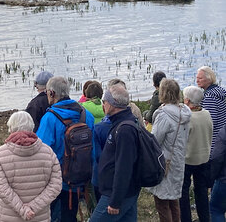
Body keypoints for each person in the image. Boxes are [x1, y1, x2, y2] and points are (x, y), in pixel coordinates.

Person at [36, 76, 95, 222]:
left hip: (58, 181)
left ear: (52, 93)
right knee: (70, 214)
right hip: (81, 176)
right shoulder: (86, 114)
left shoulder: (49, 118)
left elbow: (41, 151)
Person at [0, 111, 62, 222]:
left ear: (11, 128)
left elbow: (2, 189)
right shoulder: (48, 152)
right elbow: (55, 186)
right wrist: (32, 207)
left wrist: (23, 210)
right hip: (39, 215)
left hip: (7, 215)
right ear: (32, 127)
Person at [90, 84, 141, 222]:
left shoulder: (124, 129)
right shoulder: (123, 123)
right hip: (127, 191)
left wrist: (115, 201)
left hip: (116, 193)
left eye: (104, 101)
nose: (103, 105)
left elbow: (124, 167)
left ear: (113, 104)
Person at [148, 79, 191, 222]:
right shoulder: (184, 112)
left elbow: (154, 141)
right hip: (178, 160)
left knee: (162, 203)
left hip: (164, 162)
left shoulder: (164, 115)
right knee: (173, 200)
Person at [179, 86, 213, 222]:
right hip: (204, 157)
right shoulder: (207, 114)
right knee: (201, 191)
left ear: (187, 100)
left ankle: (185, 218)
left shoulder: (188, 118)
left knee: (184, 192)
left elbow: (182, 140)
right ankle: (205, 218)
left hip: (188, 159)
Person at [196, 66, 226, 154]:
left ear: (209, 79)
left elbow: (210, 121)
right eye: (197, 78)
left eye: (200, 78)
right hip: (222, 136)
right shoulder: (219, 91)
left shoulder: (210, 97)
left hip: (215, 143)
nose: (197, 80)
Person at [210, 123, 226, 221]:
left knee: (216, 209)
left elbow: (216, 157)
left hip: (224, 180)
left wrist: (212, 176)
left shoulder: (224, 131)